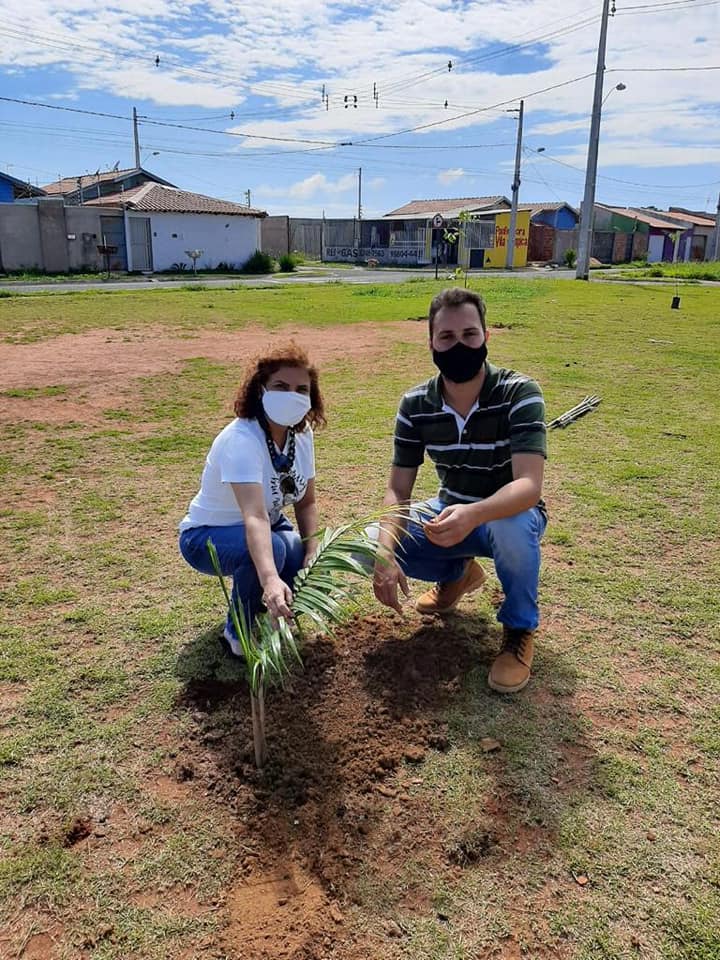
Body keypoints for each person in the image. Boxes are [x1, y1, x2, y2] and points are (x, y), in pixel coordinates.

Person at [373, 287, 547, 694]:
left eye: (469, 334)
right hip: (451, 508)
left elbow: (528, 486)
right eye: (446, 337)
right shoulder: (415, 404)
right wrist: (383, 553)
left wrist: (474, 513)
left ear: (486, 336)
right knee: (371, 539)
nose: (459, 345)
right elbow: (398, 490)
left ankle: (519, 631)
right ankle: (459, 573)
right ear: (431, 342)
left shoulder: (519, 393)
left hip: (510, 513)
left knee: (511, 530)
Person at [179, 344, 325, 655]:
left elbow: (306, 502)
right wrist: (270, 578)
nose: (292, 395)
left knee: (295, 550)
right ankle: (238, 635)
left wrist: (313, 550)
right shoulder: (242, 439)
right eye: (280, 386)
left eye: (301, 389)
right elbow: (254, 516)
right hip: (206, 536)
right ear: (260, 390)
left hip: (265, 525)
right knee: (273, 550)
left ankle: (272, 611)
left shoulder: (301, 435)